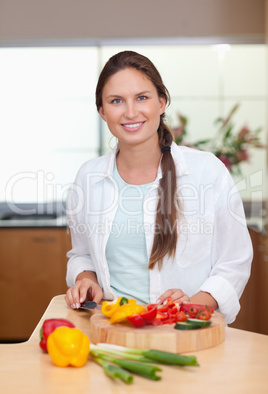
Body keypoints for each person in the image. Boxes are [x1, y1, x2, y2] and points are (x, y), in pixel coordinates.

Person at [65, 50, 253, 324]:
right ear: (103, 112)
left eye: (142, 97)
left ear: (162, 103)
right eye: (117, 101)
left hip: (186, 334)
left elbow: (234, 262)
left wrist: (193, 304)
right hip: (114, 331)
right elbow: (82, 254)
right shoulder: (88, 178)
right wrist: (86, 278)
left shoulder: (207, 171)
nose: (131, 112)